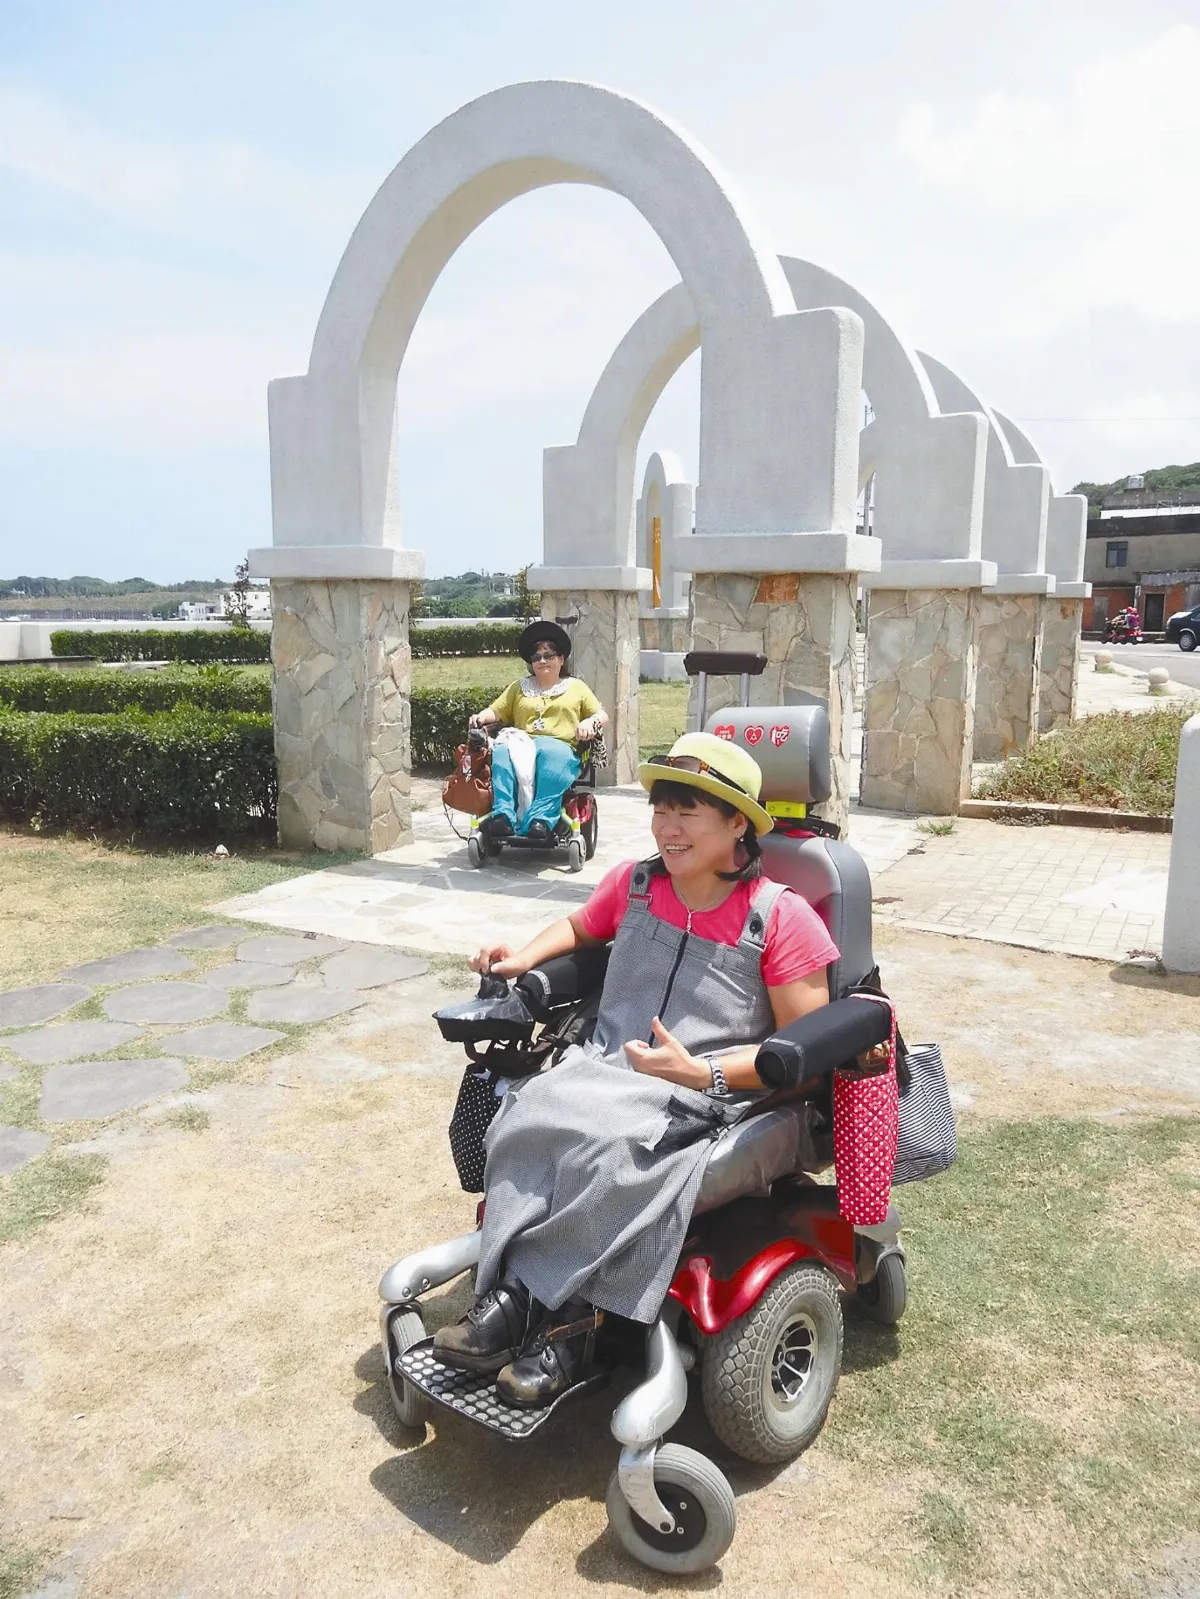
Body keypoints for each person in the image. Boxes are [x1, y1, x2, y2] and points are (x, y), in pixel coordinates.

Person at [431, 732, 840, 1408]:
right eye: (661, 809)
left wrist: (702, 1072)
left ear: (737, 823)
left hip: (714, 1092)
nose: (667, 828)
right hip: (611, 1065)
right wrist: (521, 959)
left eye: (688, 812)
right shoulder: (637, 884)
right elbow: (579, 927)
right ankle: (514, 1295)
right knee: (525, 1111)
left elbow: (802, 1048)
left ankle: (569, 1328)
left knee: (618, 1154)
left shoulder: (780, 917)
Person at [467, 620, 608, 843]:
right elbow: (496, 710)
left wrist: (590, 722)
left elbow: (601, 714)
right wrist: (481, 717)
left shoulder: (576, 687)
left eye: (549, 655)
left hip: (560, 746)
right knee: (502, 752)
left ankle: (541, 819)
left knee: (549, 753)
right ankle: (503, 815)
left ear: (561, 659)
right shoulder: (518, 687)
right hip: (521, 742)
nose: (542, 661)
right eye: (536, 657)